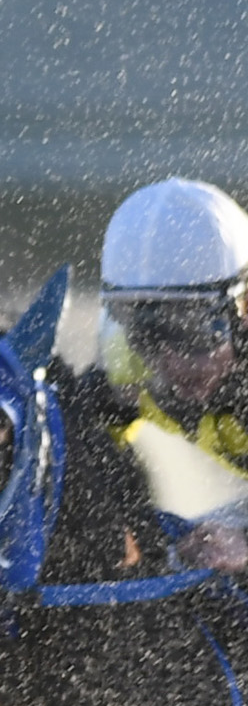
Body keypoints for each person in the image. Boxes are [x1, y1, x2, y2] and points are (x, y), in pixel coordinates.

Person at [93, 177, 248, 570]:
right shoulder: (129, 365)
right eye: (145, 332)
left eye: (191, 330)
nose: (170, 363)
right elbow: (81, 447)